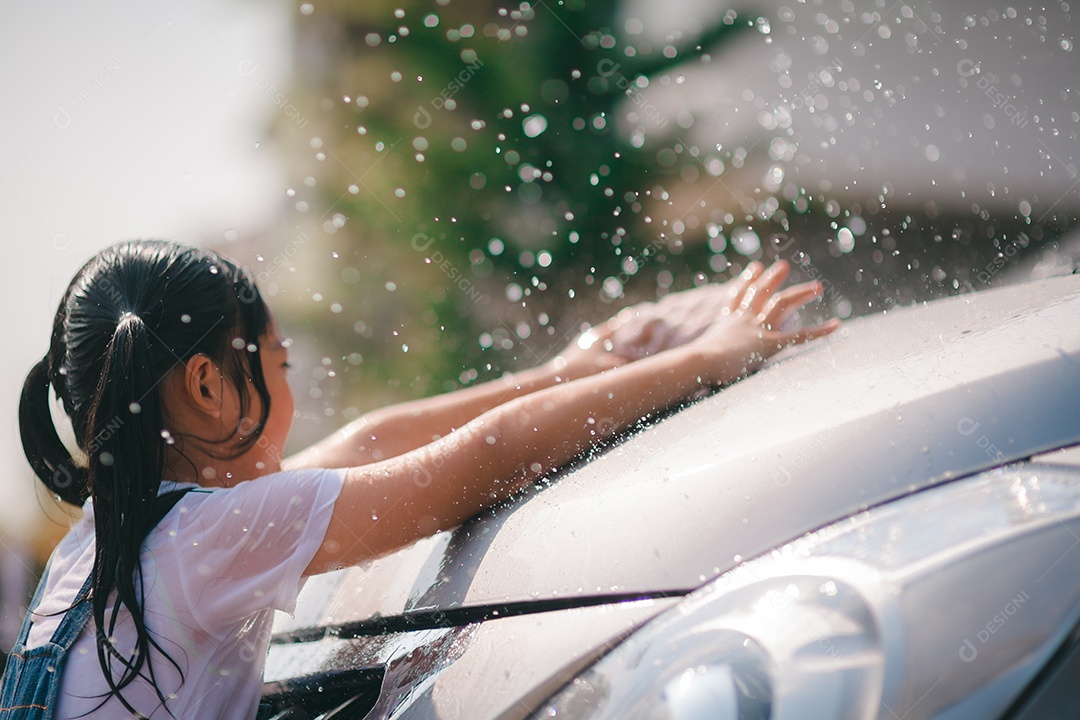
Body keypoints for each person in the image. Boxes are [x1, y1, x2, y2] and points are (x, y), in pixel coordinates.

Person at [2, 239, 838, 719]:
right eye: (281, 365)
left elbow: (368, 443)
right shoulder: (210, 536)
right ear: (209, 387)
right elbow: (481, 460)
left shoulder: (107, 544)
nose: (294, 394)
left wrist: (567, 368)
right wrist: (707, 360)